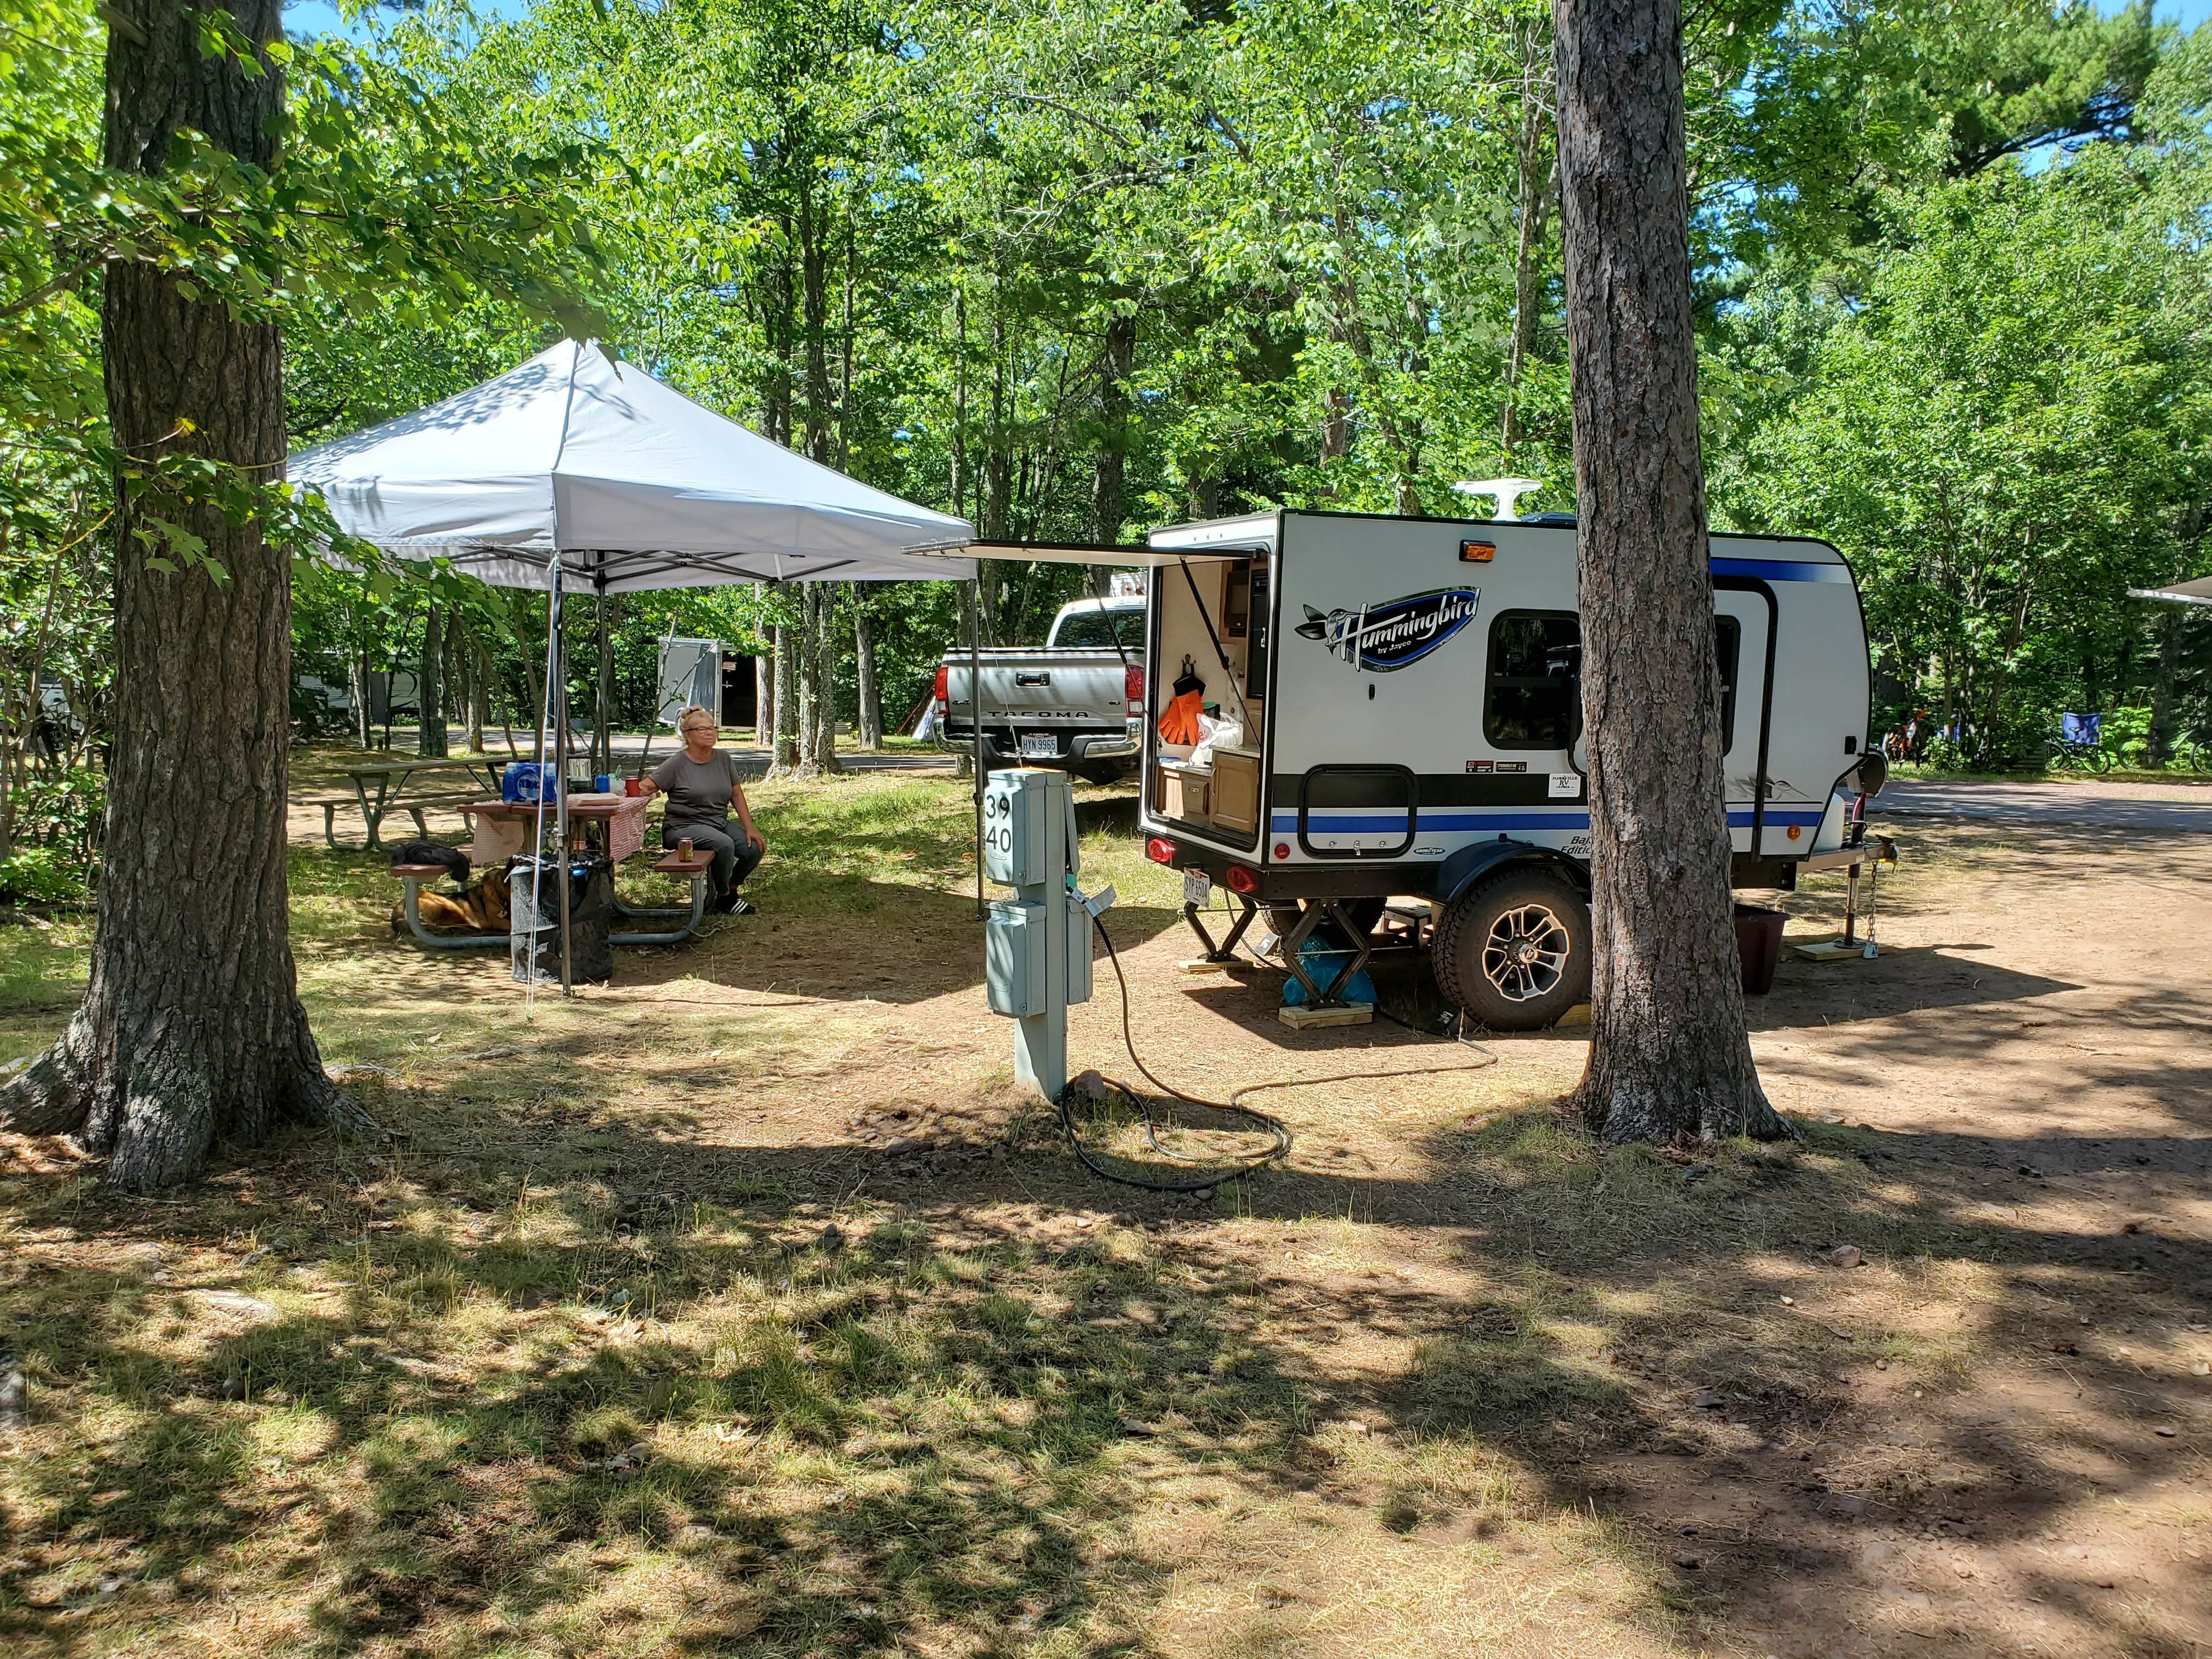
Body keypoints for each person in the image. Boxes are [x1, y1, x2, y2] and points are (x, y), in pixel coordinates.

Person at [639, 706, 763, 915]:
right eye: (702, 729)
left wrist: (750, 827)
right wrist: (623, 790)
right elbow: (646, 787)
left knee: (754, 848)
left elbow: (737, 795)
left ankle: (731, 889)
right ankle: (724, 898)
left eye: (712, 728)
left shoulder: (723, 759)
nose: (709, 733)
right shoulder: (678, 763)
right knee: (724, 844)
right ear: (687, 735)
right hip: (683, 827)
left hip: (718, 822)